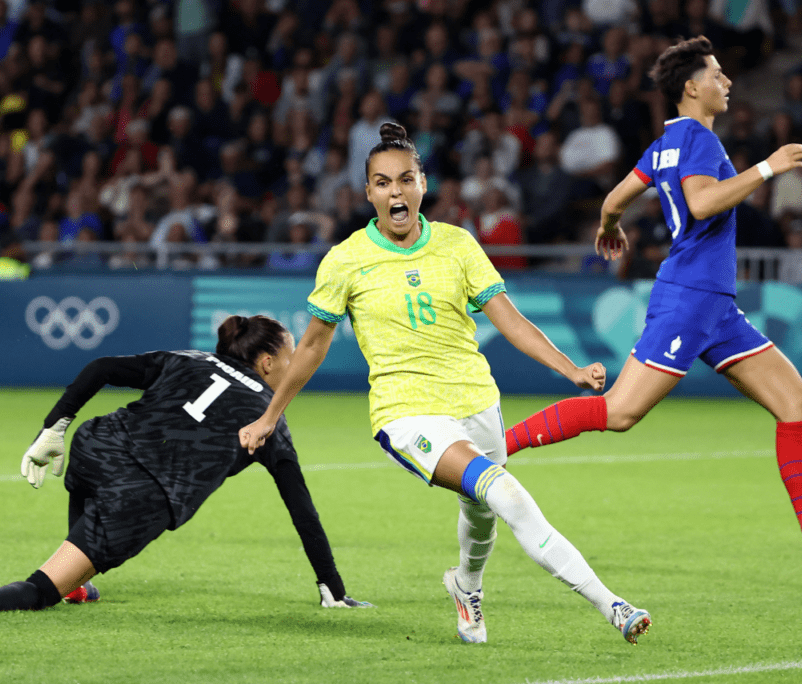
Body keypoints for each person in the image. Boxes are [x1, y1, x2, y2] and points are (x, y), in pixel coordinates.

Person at [240, 123, 651, 646]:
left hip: (477, 400)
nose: (396, 191)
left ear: (422, 184)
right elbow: (314, 345)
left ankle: (465, 585)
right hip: (406, 414)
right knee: (506, 494)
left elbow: (511, 320)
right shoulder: (345, 260)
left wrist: (568, 369)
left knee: (483, 517)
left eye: (405, 180)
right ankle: (611, 604)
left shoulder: (457, 245)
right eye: (383, 183)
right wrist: (269, 415)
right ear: (368, 193)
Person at [504, 37, 802, 575]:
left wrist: (610, 227)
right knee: (619, 413)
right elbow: (702, 203)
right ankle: (497, 449)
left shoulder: (664, 144)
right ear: (692, 87)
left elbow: (615, 200)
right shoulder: (703, 143)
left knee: (796, 406)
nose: (726, 82)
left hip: (716, 309)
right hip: (689, 300)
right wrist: (768, 169)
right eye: (717, 74)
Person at [0, 316, 370, 614]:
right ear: (268, 363)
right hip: (141, 496)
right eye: (291, 355)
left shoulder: (189, 358)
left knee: (87, 490)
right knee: (38, 592)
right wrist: (332, 586)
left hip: (95, 444)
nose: (295, 365)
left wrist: (54, 427)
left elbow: (102, 367)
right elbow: (301, 509)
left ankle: (77, 582)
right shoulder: (269, 417)